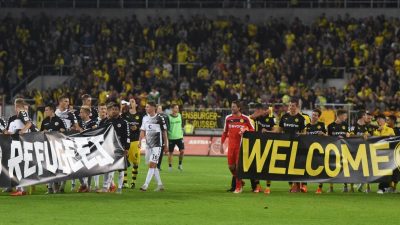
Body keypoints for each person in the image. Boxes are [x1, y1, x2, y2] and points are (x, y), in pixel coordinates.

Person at [220, 100, 254, 194]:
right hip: (231, 146)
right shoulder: (228, 118)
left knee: (238, 167)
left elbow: (252, 129)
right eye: (232, 106)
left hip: (241, 146)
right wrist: (221, 144)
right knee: (231, 167)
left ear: (239, 108)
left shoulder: (246, 119)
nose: (232, 108)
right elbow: (225, 132)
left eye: (234, 106)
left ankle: (238, 187)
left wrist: (245, 129)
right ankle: (240, 180)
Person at [274, 98, 306, 193]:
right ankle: (291, 185)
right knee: (287, 165)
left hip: (297, 145)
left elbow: (304, 132)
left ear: (297, 107)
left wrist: (300, 136)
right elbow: (279, 130)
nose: (291, 107)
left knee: (295, 165)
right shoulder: (284, 117)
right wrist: (267, 132)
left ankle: (297, 185)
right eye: (290, 105)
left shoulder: (301, 118)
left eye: (293, 106)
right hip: (285, 144)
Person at [139, 101, 168, 192]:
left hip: (157, 145)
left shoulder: (160, 118)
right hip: (148, 145)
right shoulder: (145, 118)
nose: (146, 108)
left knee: (152, 165)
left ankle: (145, 185)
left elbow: (164, 132)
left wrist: (166, 145)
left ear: (153, 108)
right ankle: (160, 185)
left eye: (147, 107)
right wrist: (140, 141)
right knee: (152, 165)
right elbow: (143, 130)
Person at [7, 98, 34, 196]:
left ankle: (20, 189)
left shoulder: (22, 112)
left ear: (17, 106)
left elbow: (29, 123)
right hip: (17, 143)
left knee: (18, 165)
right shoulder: (17, 116)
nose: (15, 108)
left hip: (20, 143)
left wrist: (22, 131)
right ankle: (21, 189)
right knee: (18, 166)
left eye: (15, 105)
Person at [55, 95, 81, 192]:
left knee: (65, 163)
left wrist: (70, 129)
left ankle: (62, 186)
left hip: (67, 142)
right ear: (60, 102)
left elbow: (77, 127)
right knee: (56, 163)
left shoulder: (71, 114)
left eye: (68, 101)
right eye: (66, 101)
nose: (68, 103)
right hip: (55, 141)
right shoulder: (54, 113)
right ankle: (54, 185)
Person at [40, 104, 67, 194]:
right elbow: (40, 133)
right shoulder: (44, 121)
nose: (45, 112)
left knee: (59, 167)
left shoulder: (59, 120)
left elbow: (64, 132)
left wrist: (60, 131)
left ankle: (58, 185)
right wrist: (43, 132)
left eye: (46, 110)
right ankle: (50, 188)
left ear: (52, 110)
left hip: (58, 146)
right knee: (49, 166)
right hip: (48, 146)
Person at [249, 103, 275, 194]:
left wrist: (267, 131)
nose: (264, 112)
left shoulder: (271, 118)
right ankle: (257, 186)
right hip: (256, 143)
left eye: (266, 110)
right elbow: (250, 118)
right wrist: (259, 113)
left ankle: (268, 187)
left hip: (268, 144)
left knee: (268, 166)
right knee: (255, 166)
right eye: (262, 110)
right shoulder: (257, 117)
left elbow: (276, 130)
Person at [121, 98, 143, 189]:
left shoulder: (140, 116)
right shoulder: (124, 115)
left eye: (133, 101)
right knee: (125, 161)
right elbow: (120, 125)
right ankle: (124, 182)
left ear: (136, 105)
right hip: (126, 141)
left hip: (135, 141)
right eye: (129, 101)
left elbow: (143, 128)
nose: (130, 103)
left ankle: (133, 182)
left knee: (135, 162)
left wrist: (137, 128)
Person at [327, 109, 350, 192]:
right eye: (345, 115)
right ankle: (331, 187)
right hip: (333, 149)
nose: (346, 117)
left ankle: (345, 186)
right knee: (332, 167)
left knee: (344, 167)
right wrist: (336, 138)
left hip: (343, 149)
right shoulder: (330, 126)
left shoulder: (345, 125)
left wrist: (348, 135)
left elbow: (348, 135)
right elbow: (328, 138)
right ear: (339, 116)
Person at [305, 108, 327, 194]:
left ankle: (319, 188)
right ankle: (304, 186)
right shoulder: (307, 126)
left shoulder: (321, 125)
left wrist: (323, 134)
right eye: (313, 114)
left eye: (316, 115)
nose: (314, 116)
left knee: (320, 169)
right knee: (305, 168)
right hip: (308, 150)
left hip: (319, 150)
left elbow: (328, 136)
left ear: (318, 117)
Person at [77, 105, 97, 192]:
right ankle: (83, 184)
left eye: (81, 112)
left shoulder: (93, 123)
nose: (79, 114)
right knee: (77, 166)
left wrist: (82, 131)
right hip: (79, 147)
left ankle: (88, 186)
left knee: (89, 168)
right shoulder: (78, 123)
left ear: (87, 113)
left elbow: (95, 133)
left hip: (90, 148)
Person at [374, 114, 396, 194]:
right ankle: (384, 187)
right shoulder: (375, 131)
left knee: (387, 171)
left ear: (384, 120)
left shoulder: (390, 129)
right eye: (377, 120)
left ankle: (382, 188)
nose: (378, 121)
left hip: (388, 153)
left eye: (379, 119)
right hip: (377, 153)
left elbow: (394, 140)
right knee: (380, 171)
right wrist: (378, 132)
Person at [167, 104, 185, 171]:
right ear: (172, 109)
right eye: (176, 108)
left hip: (179, 137)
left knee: (182, 151)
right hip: (171, 137)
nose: (177, 109)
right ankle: (170, 166)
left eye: (178, 108)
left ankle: (180, 164)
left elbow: (182, 125)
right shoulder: (168, 117)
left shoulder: (180, 115)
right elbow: (167, 127)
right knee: (171, 152)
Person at [156, 104, 169, 170]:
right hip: (155, 137)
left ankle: (158, 165)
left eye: (161, 108)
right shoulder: (153, 117)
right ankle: (154, 164)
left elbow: (167, 127)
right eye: (159, 108)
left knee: (161, 151)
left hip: (162, 136)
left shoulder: (165, 116)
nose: (160, 110)